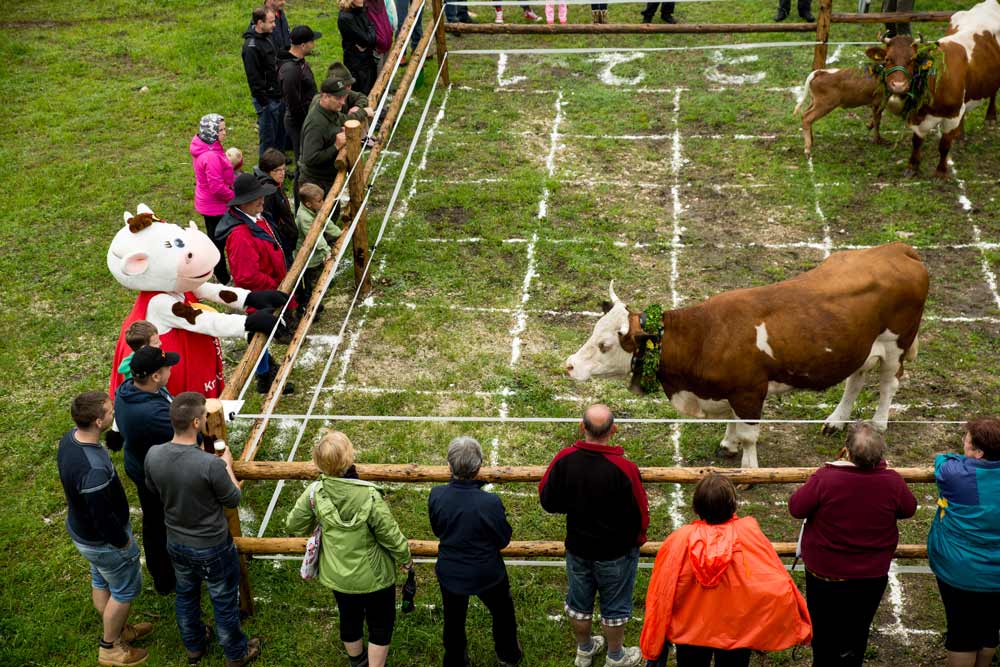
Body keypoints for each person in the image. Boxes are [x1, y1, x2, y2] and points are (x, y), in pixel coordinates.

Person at [641, 474, 813, 667]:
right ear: (733, 505)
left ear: (696, 506)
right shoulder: (750, 535)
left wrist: (654, 642)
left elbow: (660, 594)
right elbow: (776, 581)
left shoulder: (678, 540)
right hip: (737, 632)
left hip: (689, 632)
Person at [145, 392, 261, 667]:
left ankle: (194, 646)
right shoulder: (210, 465)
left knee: (186, 596)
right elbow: (233, 498)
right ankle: (236, 653)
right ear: (197, 423)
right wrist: (227, 465)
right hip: (212, 546)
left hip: (175, 540)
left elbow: (152, 489)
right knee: (223, 600)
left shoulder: (153, 455)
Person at [788, 422, 916, 667]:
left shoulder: (825, 478)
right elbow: (908, 509)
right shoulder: (891, 481)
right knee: (858, 629)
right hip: (871, 575)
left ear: (846, 451)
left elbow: (797, 508)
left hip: (826, 574)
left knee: (824, 632)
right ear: (881, 456)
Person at [286, 430, 412, 667]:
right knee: (380, 622)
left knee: (349, 617)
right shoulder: (370, 495)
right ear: (349, 458)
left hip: (337, 573)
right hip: (375, 576)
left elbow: (293, 524)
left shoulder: (314, 492)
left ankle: (357, 661)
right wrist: (405, 557)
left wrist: (317, 517)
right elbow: (390, 534)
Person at [539, 404, 648, 667]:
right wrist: (637, 540)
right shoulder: (624, 468)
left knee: (579, 602)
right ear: (614, 430)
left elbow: (547, 499)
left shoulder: (564, 459)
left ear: (582, 427)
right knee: (616, 606)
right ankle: (615, 656)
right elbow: (641, 513)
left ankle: (585, 651)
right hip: (616, 552)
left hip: (578, 548)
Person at [59, 391, 153, 667]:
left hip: (83, 533)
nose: (114, 414)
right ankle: (110, 646)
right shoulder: (94, 471)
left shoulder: (70, 439)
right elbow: (103, 518)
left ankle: (119, 629)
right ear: (99, 422)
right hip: (104, 542)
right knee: (124, 590)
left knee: (101, 580)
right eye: (110, 411)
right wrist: (122, 542)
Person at [429, 437, 523, 667]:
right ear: (479, 467)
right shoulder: (490, 502)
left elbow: (437, 529)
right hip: (488, 573)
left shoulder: (436, 495)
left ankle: (455, 660)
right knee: (503, 613)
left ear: (449, 466)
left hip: (451, 571)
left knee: (453, 619)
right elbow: (503, 539)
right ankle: (508, 654)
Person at [214, 173, 297, 394]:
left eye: (261, 196)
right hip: (259, 295)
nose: (262, 201)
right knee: (258, 334)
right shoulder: (240, 235)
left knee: (262, 334)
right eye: (256, 198)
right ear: (242, 203)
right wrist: (275, 287)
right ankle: (264, 375)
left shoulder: (256, 218)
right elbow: (247, 276)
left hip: (269, 289)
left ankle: (265, 371)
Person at [927, 418, 1000, 667]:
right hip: (997, 574)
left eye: (967, 440)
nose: (963, 442)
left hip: (961, 570)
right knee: (990, 628)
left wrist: (960, 458)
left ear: (978, 452)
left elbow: (942, 460)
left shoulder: (955, 473)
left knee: (962, 633)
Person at [114, 346, 182, 596]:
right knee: (158, 523)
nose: (170, 370)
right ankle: (165, 578)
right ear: (155, 376)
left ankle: (164, 573)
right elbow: (186, 436)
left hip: (141, 463)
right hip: (154, 475)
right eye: (167, 367)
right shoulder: (152, 414)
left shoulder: (128, 389)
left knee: (157, 520)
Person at [190, 113, 235, 284]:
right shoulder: (210, 156)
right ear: (211, 132)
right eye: (221, 130)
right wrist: (234, 197)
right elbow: (217, 187)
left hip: (207, 202)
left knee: (215, 239)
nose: (225, 133)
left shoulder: (207, 146)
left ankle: (220, 273)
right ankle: (223, 277)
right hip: (216, 206)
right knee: (220, 243)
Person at [242, 7, 287, 158]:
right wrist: (265, 102)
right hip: (267, 99)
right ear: (260, 23)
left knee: (279, 134)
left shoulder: (268, 37)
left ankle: (278, 162)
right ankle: (266, 172)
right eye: (271, 22)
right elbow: (254, 79)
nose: (274, 25)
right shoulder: (251, 47)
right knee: (268, 138)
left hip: (277, 94)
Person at [299, 78, 352, 193]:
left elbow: (345, 119)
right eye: (338, 98)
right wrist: (336, 146)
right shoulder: (316, 124)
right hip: (316, 186)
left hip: (328, 179)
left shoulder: (331, 111)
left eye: (344, 97)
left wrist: (363, 112)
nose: (343, 102)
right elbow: (309, 158)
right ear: (325, 97)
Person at [278, 25, 322, 163]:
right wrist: (307, 120)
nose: (313, 45)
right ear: (303, 45)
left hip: (305, 117)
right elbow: (293, 103)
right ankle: (300, 184)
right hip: (299, 122)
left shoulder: (298, 62)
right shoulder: (290, 69)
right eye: (311, 42)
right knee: (302, 160)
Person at [295, 182, 340, 302]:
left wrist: (338, 233)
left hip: (316, 253)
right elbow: (315, 237)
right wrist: (326, 250)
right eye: (320, 201)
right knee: (310, 278)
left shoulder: (314, 209)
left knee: (320, 267)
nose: (323, 202)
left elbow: (325, 221)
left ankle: (323, 283)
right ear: (308, 204)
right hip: (308, 256)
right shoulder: (304, 217)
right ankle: (311, 298)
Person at [253, 148, 298, 267]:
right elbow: (269, 221)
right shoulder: (268, 193)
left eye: (284, 169)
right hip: (281, 243)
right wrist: (285, 235)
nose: (282, 173)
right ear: (267, 171)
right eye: (277, 170)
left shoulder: (275, 184)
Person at [339, 0, 378, 95]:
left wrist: (370, 32)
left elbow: (372, 31)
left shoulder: (361, 9)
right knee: (361, 92)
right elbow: (367, 39)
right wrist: (370, 32)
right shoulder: (345, 18)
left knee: (371, 85)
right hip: (356, 63)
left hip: (368, 58)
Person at [366, 0, 393, 76]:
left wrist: (389, 32)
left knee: (387, 71)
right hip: (377, 47)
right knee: (379, 75)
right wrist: (377, 39)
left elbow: (387, 18)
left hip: (387, 42)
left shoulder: (381, 2)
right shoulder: (365, 5)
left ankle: (388, 86)